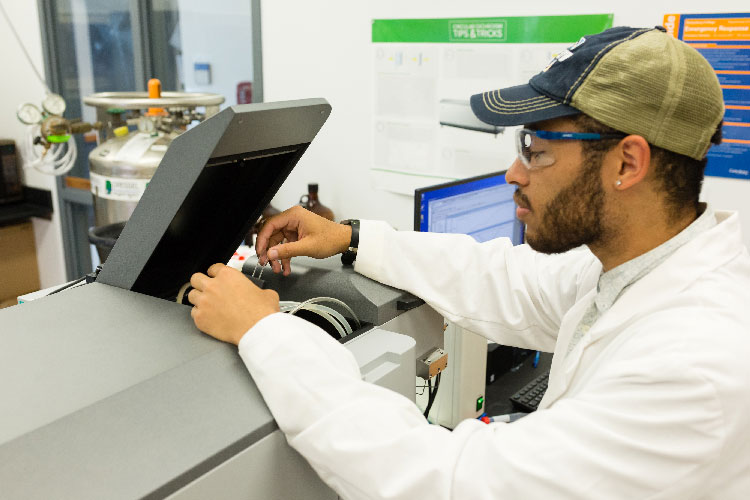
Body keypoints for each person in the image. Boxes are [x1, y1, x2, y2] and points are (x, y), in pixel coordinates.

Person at [187, 26, 750, 499]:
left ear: (627, 163)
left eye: (536, 146)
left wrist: (266, 331)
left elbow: (443, 481)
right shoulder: (643, 266)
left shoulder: (694, 366)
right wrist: (352, 240)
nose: (514, 172)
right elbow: (511, 281)